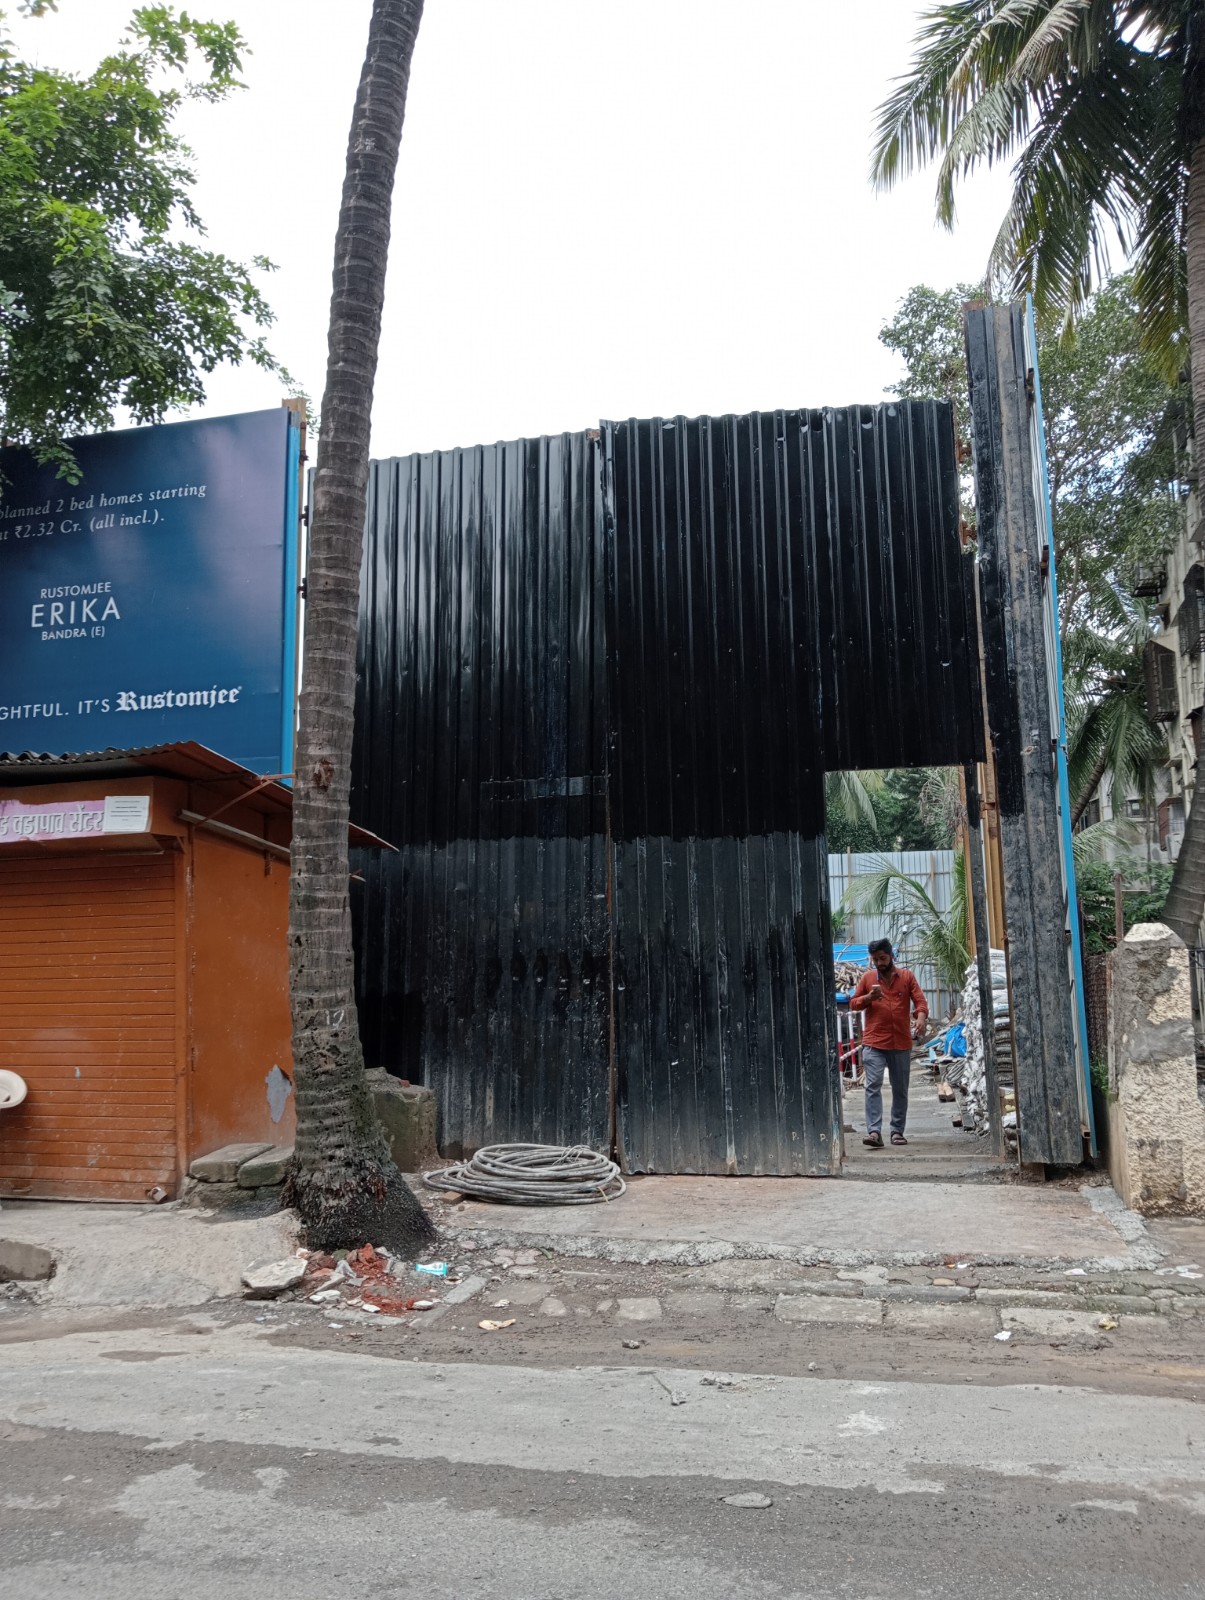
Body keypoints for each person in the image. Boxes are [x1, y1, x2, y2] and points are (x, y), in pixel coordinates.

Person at [849, 938, 928, 1148]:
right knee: (872, 1086)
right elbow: (853, 1003)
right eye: (875, 959)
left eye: (882, 958)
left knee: (900, 1089)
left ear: (891, 955)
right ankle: (874, 1132)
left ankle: (897, 1131)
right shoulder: (867, 978)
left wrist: (921, 1018)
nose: (879, 963)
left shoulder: (907, 977)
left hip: (900, 1043)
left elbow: (920, 1001)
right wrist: (868, 997)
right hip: (874, 1042)